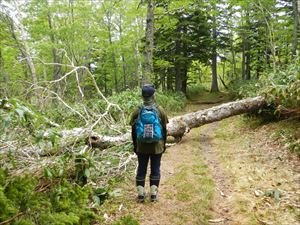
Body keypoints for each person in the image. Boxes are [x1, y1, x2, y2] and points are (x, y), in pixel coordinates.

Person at [130, 84, 168, 202]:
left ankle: (141, 195)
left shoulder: (137, 110)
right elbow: (164, 130)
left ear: (142, 96)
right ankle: (153, 195)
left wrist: (135, 146)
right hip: (157, 147)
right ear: (153, 95)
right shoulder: (160, 110)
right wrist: (164, 144)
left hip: (141, 147)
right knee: (155, 168)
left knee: (141, 168)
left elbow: (133, 130)